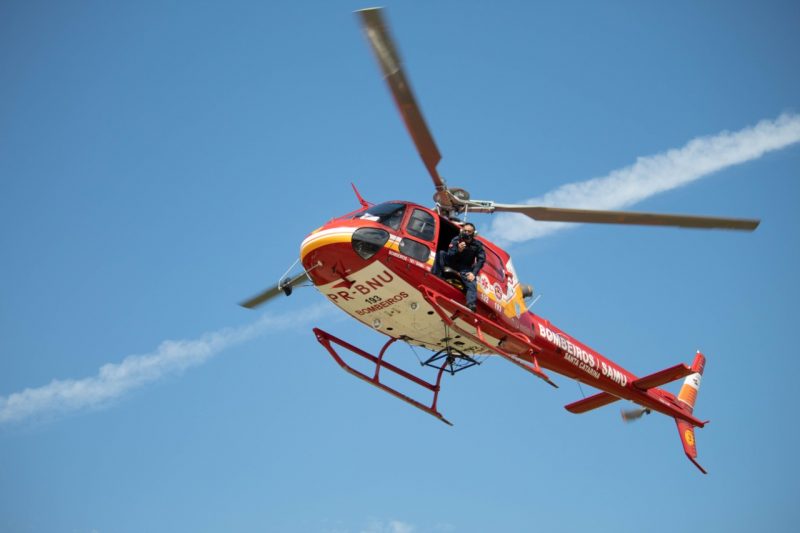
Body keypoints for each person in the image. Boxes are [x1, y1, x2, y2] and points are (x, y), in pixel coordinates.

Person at [443, 222, 485, 312]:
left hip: (465, 267)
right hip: (452, 262)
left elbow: (481, 260)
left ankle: (471, 304)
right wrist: (458, 250)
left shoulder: (477, 245)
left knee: (471, 280)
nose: (466, 233)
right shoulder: (456, 240)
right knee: (441, 254)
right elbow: (450, 255)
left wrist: (473, 273)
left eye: (469, 231)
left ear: (474, 233)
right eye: (465, 231)